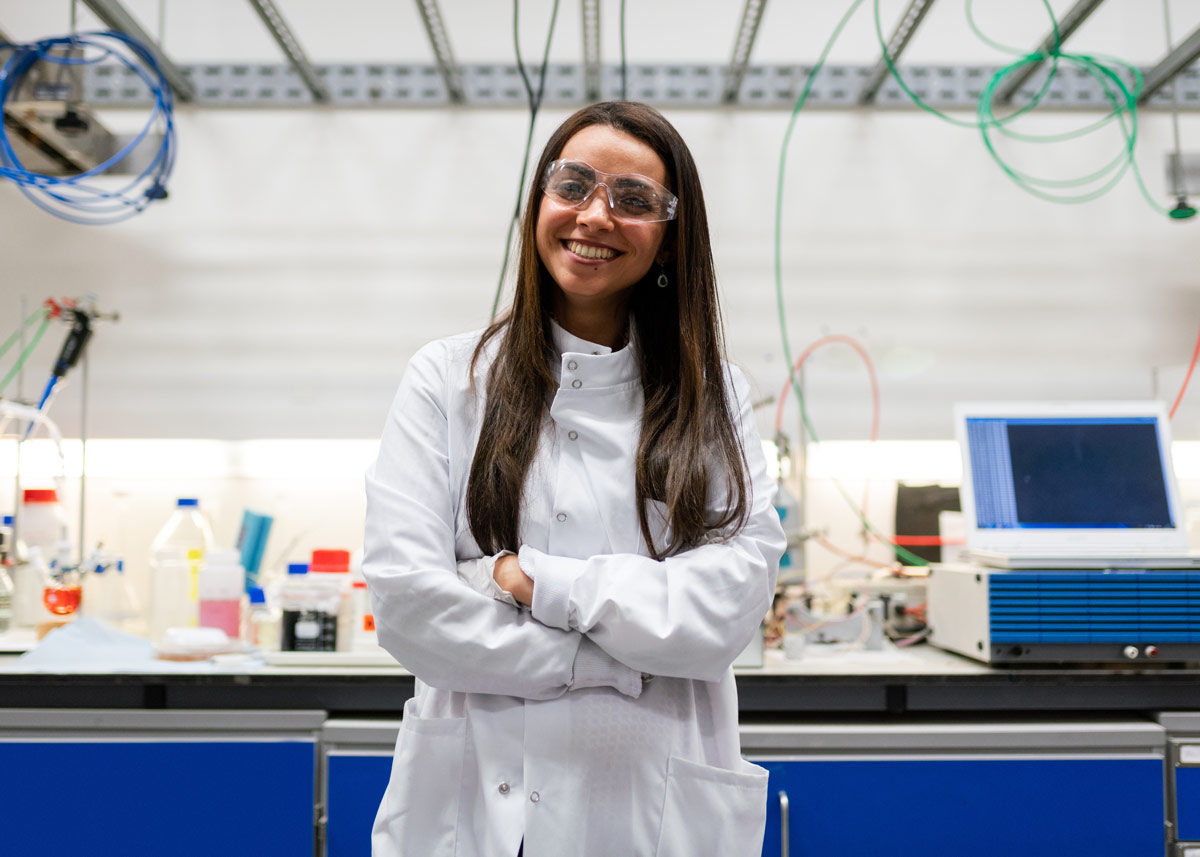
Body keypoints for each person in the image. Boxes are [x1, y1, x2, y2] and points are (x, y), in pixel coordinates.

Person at [363, 101, 786, 857]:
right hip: (474, 809)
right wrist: (610, 660)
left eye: (633, 201)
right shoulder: (448, 380)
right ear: (538, 204)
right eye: (574, 185)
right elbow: (408, 602)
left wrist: (528, 581)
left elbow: (725, 613)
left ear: (667, 240)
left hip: (648, 813)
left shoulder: (714, 397)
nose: (596, 215)